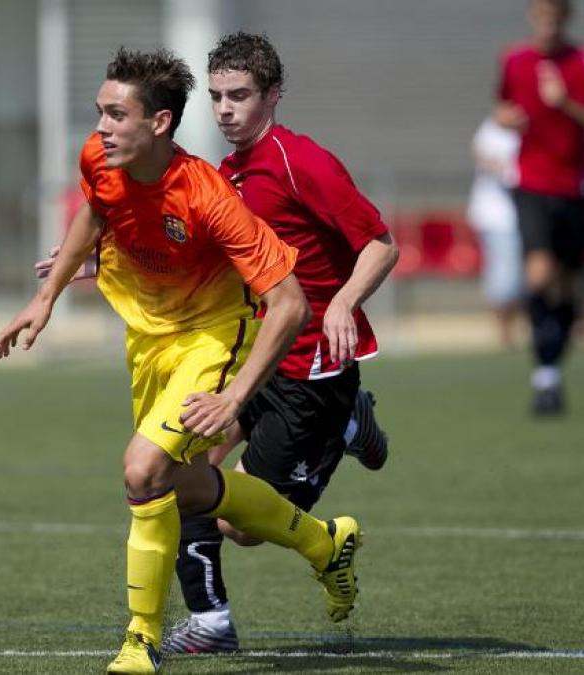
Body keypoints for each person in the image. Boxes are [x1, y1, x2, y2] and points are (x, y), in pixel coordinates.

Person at [0, 48, 363, 674]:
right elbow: (93, 210)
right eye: (99, 113)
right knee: (181, 484)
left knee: (141, 471)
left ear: (159, 123)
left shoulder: (208, 194)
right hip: (148, 339)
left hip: (213, 338)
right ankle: (324, 544)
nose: (102, 128)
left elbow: (290, 305)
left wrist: (235, 398)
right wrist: (45, 296)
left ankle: (141, 639)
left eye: (116, 114)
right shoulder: (99, 159)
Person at [155, 32, 398, 654]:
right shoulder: (229, 171)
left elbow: (380, 243)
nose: (225, 109)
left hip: (314, 370)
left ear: (273, 95)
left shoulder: (301, 161)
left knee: (239, 526)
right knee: (183, 471)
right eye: (216, 97)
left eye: (239, 95)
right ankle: (210, 622)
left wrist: (344, 300)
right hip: (257, 359)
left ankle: (345, 428)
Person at [495, 0, 584, 414]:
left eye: (554, 17)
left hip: (574, 187)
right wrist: (506, 118)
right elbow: (502, 108)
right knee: (539, 273)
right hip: (531, 183)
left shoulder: (580, 62)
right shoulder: (514, 60)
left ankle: (551, 370)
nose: (546, 24)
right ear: (533, 17)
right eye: (540, 16)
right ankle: (543, 372)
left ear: (565, 19)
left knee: (566, 285)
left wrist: (563, 102)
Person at [467, 116, 523, 350]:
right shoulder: (491, 129)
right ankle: (503, 332)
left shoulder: (526, 128)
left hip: (520, 216)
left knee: (521, 277)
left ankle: (515, 328)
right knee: (505, 275)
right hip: (497, 218)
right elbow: (481, 156)